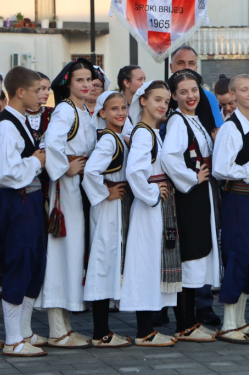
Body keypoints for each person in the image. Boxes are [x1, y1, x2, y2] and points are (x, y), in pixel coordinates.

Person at [37, 58, 97, 349]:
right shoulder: (65, 109)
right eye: (80, 80)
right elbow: (51, 143)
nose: (86, 85)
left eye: (89, 79)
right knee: (62, 254)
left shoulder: (82, 110)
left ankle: (65, 327)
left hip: (76, 189)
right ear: (68, 84)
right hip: (65, 190)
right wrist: (65, 168)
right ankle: (57, 329)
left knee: (73, 255)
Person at [161, 69, 221, 342]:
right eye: (183, 92)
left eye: (194, 90)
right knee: (189, 256)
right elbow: (170, 157)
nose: (190, 96)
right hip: (189, 197)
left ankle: (190, 322)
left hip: (200, 194)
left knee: (197, 253)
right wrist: (192, 178)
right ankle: (184, 324)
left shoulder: (192, 119)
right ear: (174, 96)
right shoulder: (177, 122)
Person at [212, 74, 249, 344]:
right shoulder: (230, 128)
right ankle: (227, 323)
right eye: (244, 90)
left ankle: (241, 320)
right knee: (238, 254)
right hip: (239, 199)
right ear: (233, 95)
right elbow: (220, 168)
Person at [121, 80, 180, 346]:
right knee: (145, 263)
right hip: (149, 209)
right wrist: (154, 193)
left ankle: (147, 328)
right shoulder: (144, 133)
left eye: (166, 102)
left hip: (156, 207)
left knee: (152, 262)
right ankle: (144, 331)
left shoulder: (152, 132)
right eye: (157, 99)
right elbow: (135, 171)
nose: (162, 106)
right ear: (143, 101)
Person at [0, 67, 47, 357]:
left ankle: (25, 331)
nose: (40, 96)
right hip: (17, 202)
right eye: (35, 90)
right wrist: (36, 162)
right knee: (19, 264)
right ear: (21, 92)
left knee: (34, 265)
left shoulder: (20, 121)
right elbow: (7, 172)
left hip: (30, 201)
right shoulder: (6, 125)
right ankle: (13, 339)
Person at [81, 91, 133, 348]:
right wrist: (106, 192)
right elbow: (90, 172)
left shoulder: (116, 138)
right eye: (114, 109)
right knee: (102, 263)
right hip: (106, 208)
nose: (121, 112)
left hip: (112, 206)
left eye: (123, 107)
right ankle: (100, 333)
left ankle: (103, 330)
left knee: (108, 262)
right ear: (102, 113)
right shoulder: (108, 141)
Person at [25, 72, 53, 142]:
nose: (47, 93)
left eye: (48, 89)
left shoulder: (52, 113)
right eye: (43, 88)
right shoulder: (18, 114)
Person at [118, 65, 146, 136]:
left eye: (144, 79)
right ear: (127, 83)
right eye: (140, 79)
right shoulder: (115, 106)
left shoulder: (145, 104)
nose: (144, 83)